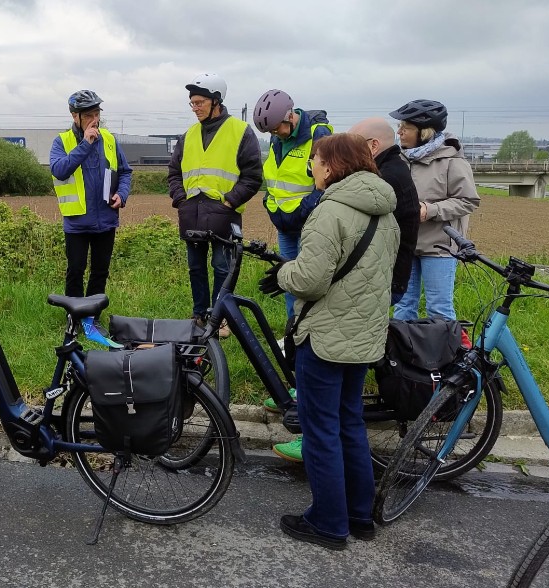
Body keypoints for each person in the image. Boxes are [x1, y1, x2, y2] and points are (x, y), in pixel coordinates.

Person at [258, 133, 400, 550]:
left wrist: (283, 273)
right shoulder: (385, 212)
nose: (312, 167)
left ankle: (328, 523)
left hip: (325, 337)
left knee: (320, 430)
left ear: (334, 165)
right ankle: (359, 516)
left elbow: (310, 280)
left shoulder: (329, 211)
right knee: (349, 423)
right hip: (363, 335)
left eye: (317, 160)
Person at [167, 73, 263, 339]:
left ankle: (220, 318)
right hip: (192, 213)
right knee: (195, 267)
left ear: (216, 101)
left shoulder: (240, 132)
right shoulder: (188, 136)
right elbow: (174, 172)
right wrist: (180, 199)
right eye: (192, 103)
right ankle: (199, 314)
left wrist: (230, 201)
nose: (195, 108)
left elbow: (253, 176)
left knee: (222, 267)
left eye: (199, 102)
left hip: (223, 213)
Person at [389, 99, 480, 321]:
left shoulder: (452, 161)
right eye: (399, 127)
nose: (399, 132)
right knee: (402, 307)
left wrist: (430, 210)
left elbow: (468, 200)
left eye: (406, 128)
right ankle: (404, 354)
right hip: (406, 244)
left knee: (439, 309)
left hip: (439, 247)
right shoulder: (399, 159)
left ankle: (444, 355)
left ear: (425, 132)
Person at [49, 90, 133, 332]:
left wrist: (122, 194)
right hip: (77, 221)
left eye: (97, 114)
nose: (95, 120)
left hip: (106, 219)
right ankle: (74, 319)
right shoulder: (62, 141)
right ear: (75, 116)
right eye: (89, 115)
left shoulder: (109, 139)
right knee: (75, 270)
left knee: (100, 271)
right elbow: (60, 170)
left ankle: (92, 318)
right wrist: (85, 143)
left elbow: (125, 172)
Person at [252, 89, 333, 318]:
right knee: (288, 280)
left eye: (276, 128)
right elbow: (276, 176)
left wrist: (305, 210)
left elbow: (326, 180)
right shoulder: (277, 137)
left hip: (308, 224)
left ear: (290, 116)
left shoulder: (319, 134)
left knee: (308, 282)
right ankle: (291, 332)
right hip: (284, 224)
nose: (275, 134)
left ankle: (308, 332)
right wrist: (269, 202)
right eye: (270, 131)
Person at [349, 117, 420, 304]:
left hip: (383, 280)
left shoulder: (386, 177)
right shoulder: (386, 168)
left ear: (373, 146)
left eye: (353, 144)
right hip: (384, 275)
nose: (348, 151)